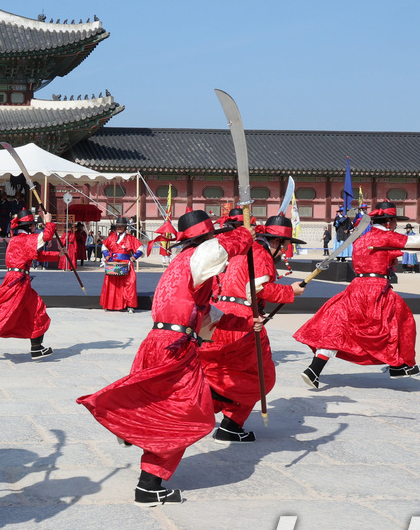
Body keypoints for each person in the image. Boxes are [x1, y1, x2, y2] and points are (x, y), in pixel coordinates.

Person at [77, 210, 258, 505]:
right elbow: (223, 249)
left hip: (157, 341)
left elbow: (207, 313)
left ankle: (137, 441)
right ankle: (148, 481)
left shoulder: (180, 267)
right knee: (180, 414)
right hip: (175, 346)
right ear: (204, 239)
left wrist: (246, 323)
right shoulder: (197, 258)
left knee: (163, 406)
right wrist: (246, 233)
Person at [294, 201, 420, 387]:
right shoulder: (386, 238)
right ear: (388, 222)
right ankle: (398, 366)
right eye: (394, 222)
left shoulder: (360, 240)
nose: (395, 226)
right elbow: (410, 248)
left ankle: (314, 369)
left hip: (356, 286)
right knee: (401, 319)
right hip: (376, 287)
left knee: (338, 326)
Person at [198, 215, 307, 442]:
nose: (284, 251)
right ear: (276, 242)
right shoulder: (260, 253)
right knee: (260, 376)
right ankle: (221, 412)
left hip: (218, 315)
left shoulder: (239, 251)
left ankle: (229, 423)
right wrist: (290, 292)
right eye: (285, 246)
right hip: (242, 320)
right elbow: (258, 289)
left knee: (218, 369)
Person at [0, 209, 61, 360]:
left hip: (18, 280)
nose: (35, 228)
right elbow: (46, 237)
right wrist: (49, 222)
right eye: (34, 225)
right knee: (7, 314)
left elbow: (38, 255)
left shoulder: (18, 240)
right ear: (29, 226)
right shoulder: (26, 239)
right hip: (18, 282)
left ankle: (37, 347)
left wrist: (59, 255)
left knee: (36, 310)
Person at [100, 218, 143, 312]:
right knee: (112, 284)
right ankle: (110, 304)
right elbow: (104, 246)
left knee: (129, 284)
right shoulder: (111, 237)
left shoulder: (131, 238)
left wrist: (134, 257)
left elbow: (140, 248)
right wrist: (106, 255)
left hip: (126, 264)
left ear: (125, 227)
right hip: (113, 263)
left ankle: (129, 305)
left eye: (121, 226)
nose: (119, 228)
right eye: (118, 226)